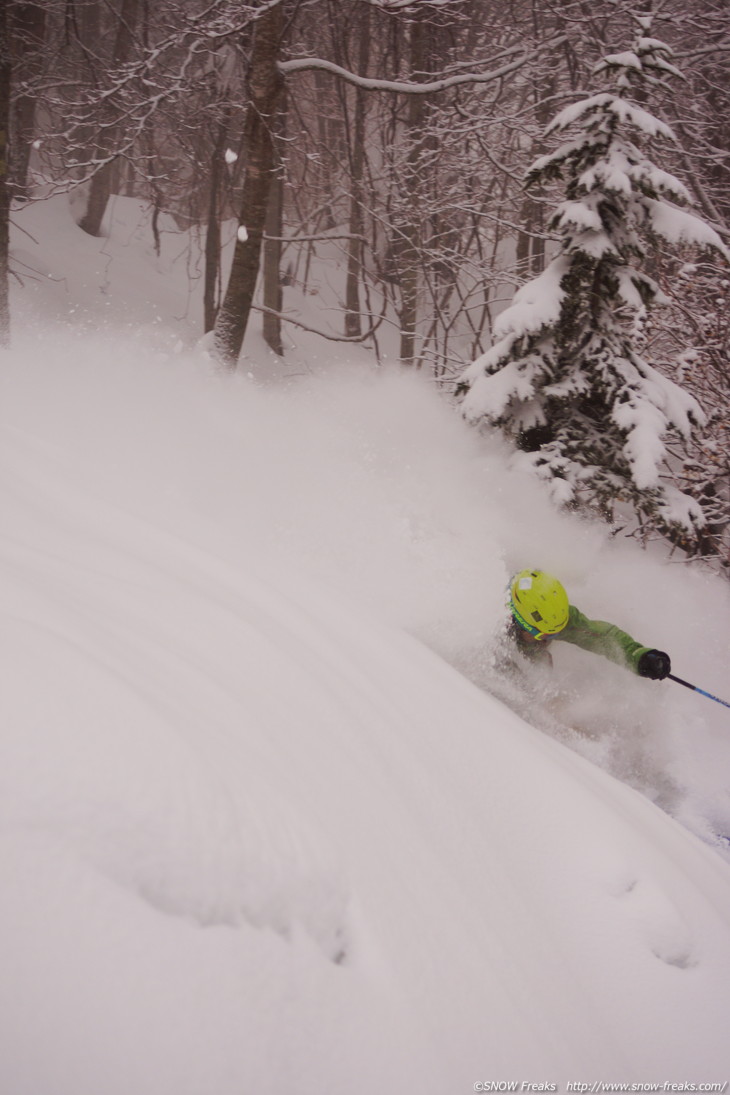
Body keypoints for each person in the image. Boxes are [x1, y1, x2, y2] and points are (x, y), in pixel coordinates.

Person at [506, 569, 671, 679]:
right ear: (520, 621)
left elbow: (602, 637)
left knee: (542, 668)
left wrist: (639, 657)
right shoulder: (493, 624)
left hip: (531, 660)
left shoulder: (551, 617)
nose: (548, 640)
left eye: (555, 634)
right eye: (544, 634)